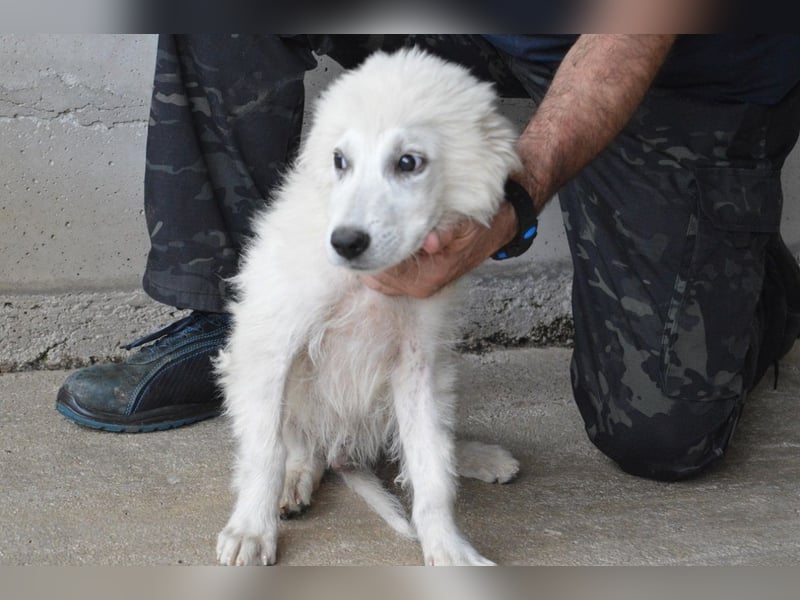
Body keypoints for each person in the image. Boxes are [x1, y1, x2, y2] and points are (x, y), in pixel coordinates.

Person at [56, 34, 800, 482]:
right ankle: (226, 318)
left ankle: (739, 276)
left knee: (661, 439)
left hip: (667, 67)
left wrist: (514, 198)